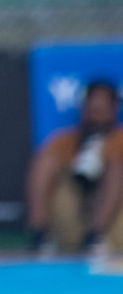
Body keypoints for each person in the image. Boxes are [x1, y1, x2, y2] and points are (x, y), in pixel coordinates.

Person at [27, 80, 123, 257]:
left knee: (117, 169)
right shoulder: (66, 140)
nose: (96, 116)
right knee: (45, 161)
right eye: (92, 110)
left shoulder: (120, 139)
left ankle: (96, 236)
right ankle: (40, 235)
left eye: (102, 110)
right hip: (75, 211)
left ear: (114, 110)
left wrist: (103, 158)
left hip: (113, 221)